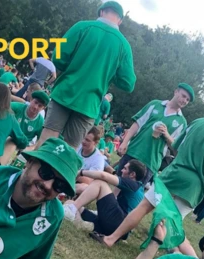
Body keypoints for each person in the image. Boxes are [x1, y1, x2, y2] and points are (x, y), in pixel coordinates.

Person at [95, 105, 204, 255]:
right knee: (172, 225)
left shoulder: (198, 121)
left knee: (143, 207)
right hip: (193, 185)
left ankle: (111, 239)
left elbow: (175, 146)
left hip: (173, 173)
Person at [37, 1, 136, 149]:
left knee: (46, 140)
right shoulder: (124, 45)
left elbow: (58, 57)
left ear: (102, 12)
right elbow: (128, 83)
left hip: (65, 93)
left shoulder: (82, 26)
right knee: (67, 151)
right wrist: (109, 73)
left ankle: (30, 171)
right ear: (120, 20)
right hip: (89, 104)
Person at [116, 83, 193, 185]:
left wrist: (166, 135)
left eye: (187, 100)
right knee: (117, 182)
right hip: (134, 151)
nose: (184, 101)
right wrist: (124, 142)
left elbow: (175, 149)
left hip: (151, 162)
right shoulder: (155, 104)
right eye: (183, 96)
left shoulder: (182, 122)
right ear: (176, 92)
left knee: (133, 192)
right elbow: (137, 123)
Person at [62, 159, 146, 236]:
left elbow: (103, 176)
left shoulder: (133, 185)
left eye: (125, 168)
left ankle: (73, 208)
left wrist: (81, 172)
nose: (121, 170)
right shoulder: (138, 189)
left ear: (132, 174)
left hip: (117, 223)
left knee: (100, 182)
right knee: (69, 202)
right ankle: (82, 223)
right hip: (114, 225)